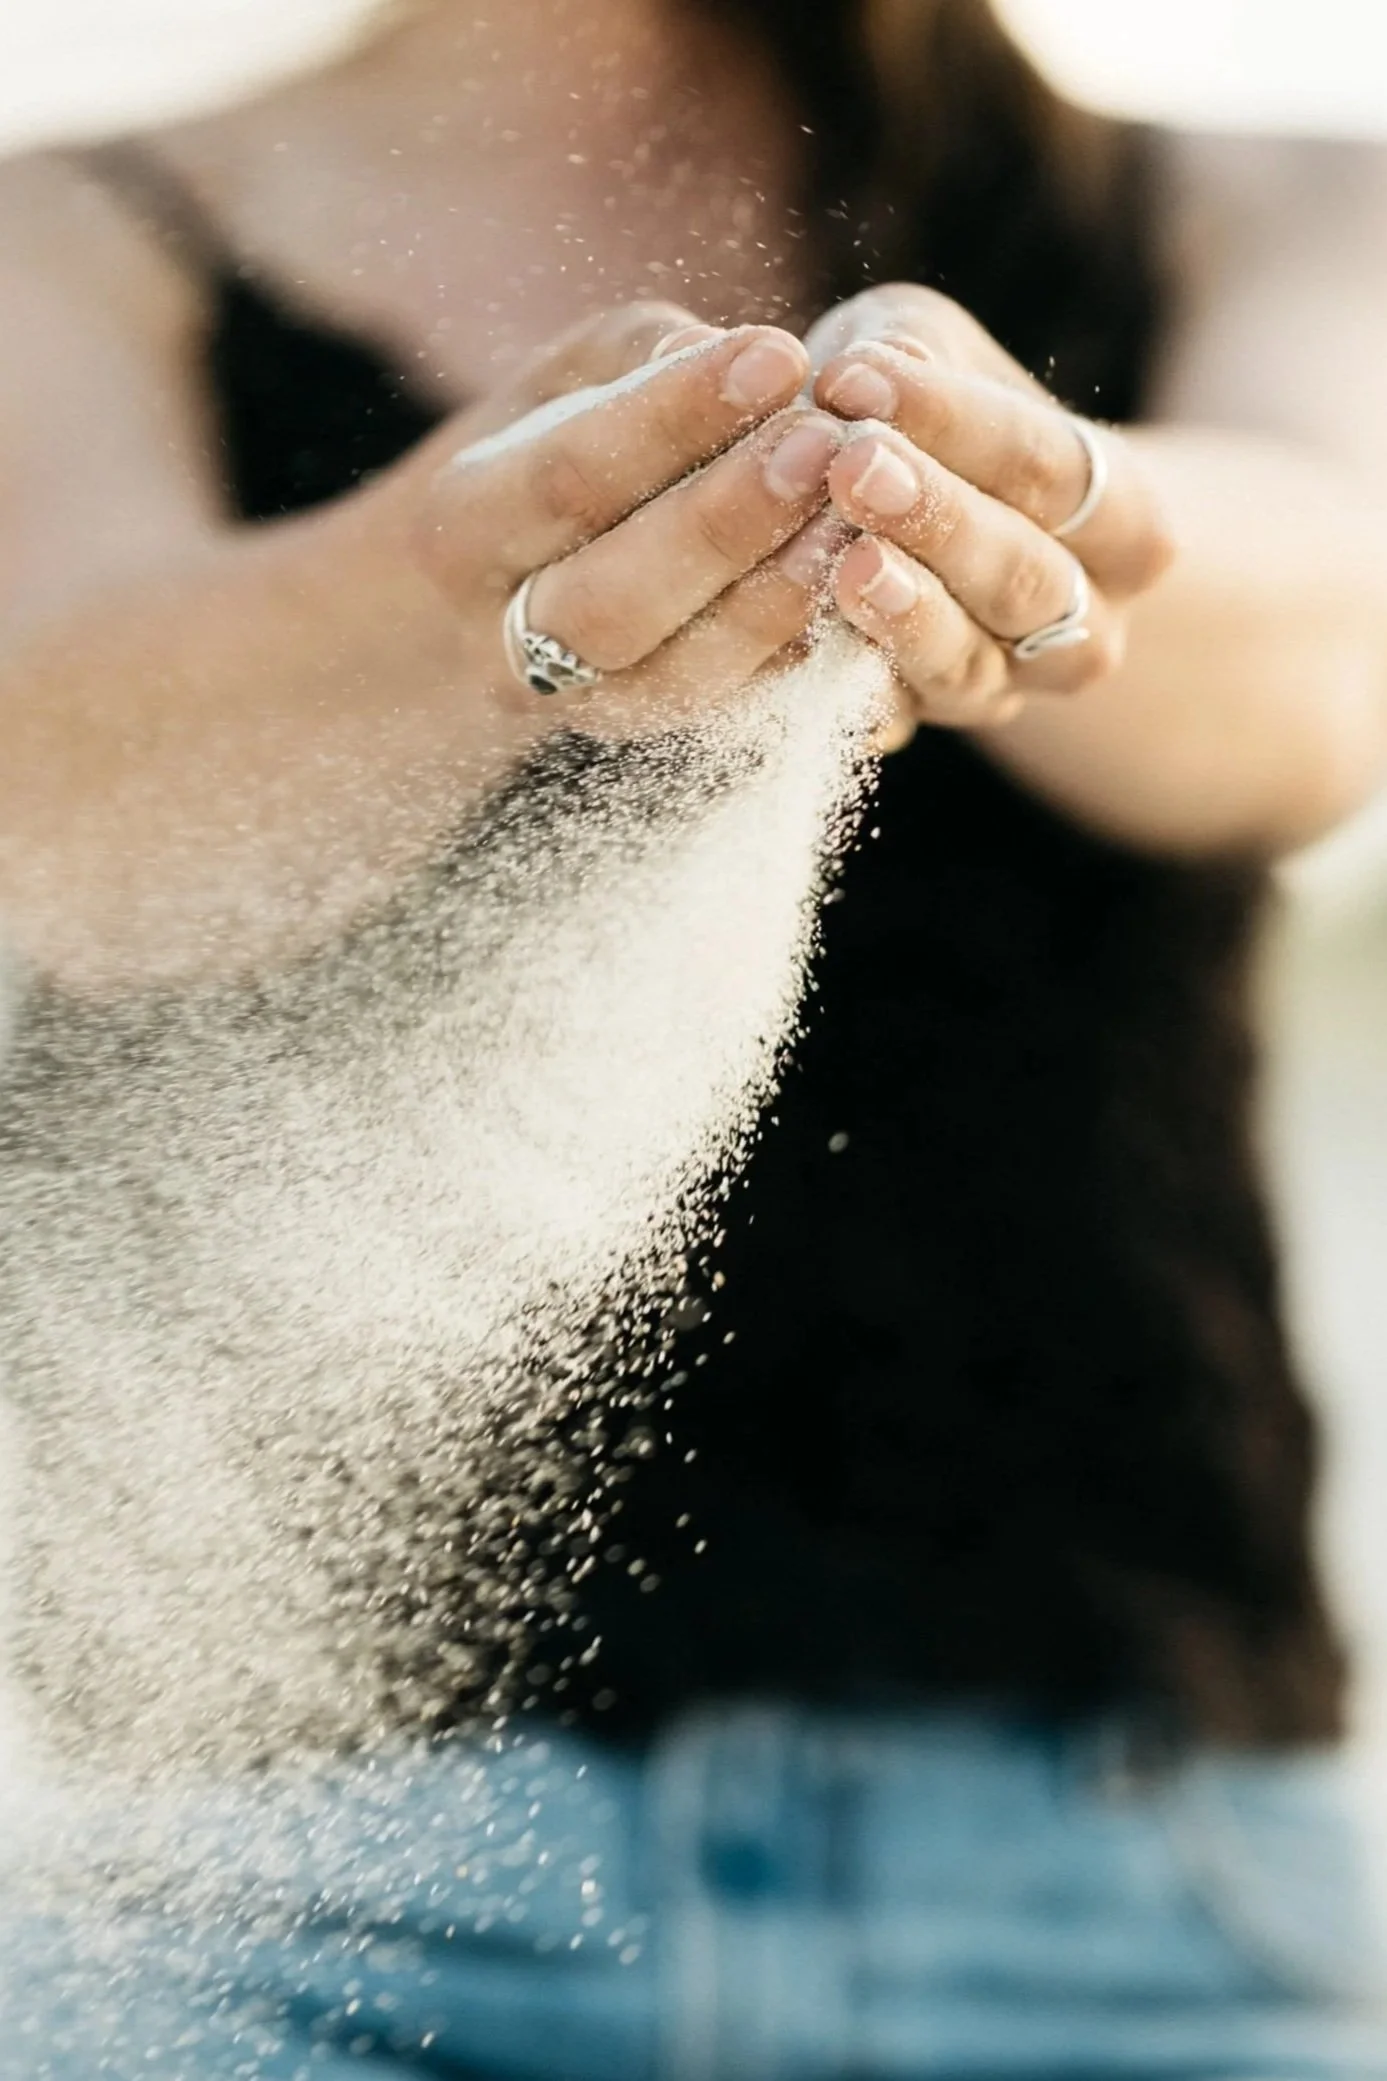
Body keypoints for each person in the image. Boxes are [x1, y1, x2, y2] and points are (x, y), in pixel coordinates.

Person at [4, 0, 1387, 2072]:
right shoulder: (73, 235)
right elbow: (68, 814)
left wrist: (1013, 501)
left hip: (1132, 1897)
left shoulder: (1268, 204)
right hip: (290, 1908)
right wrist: (458, 573)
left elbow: (1323, 672)